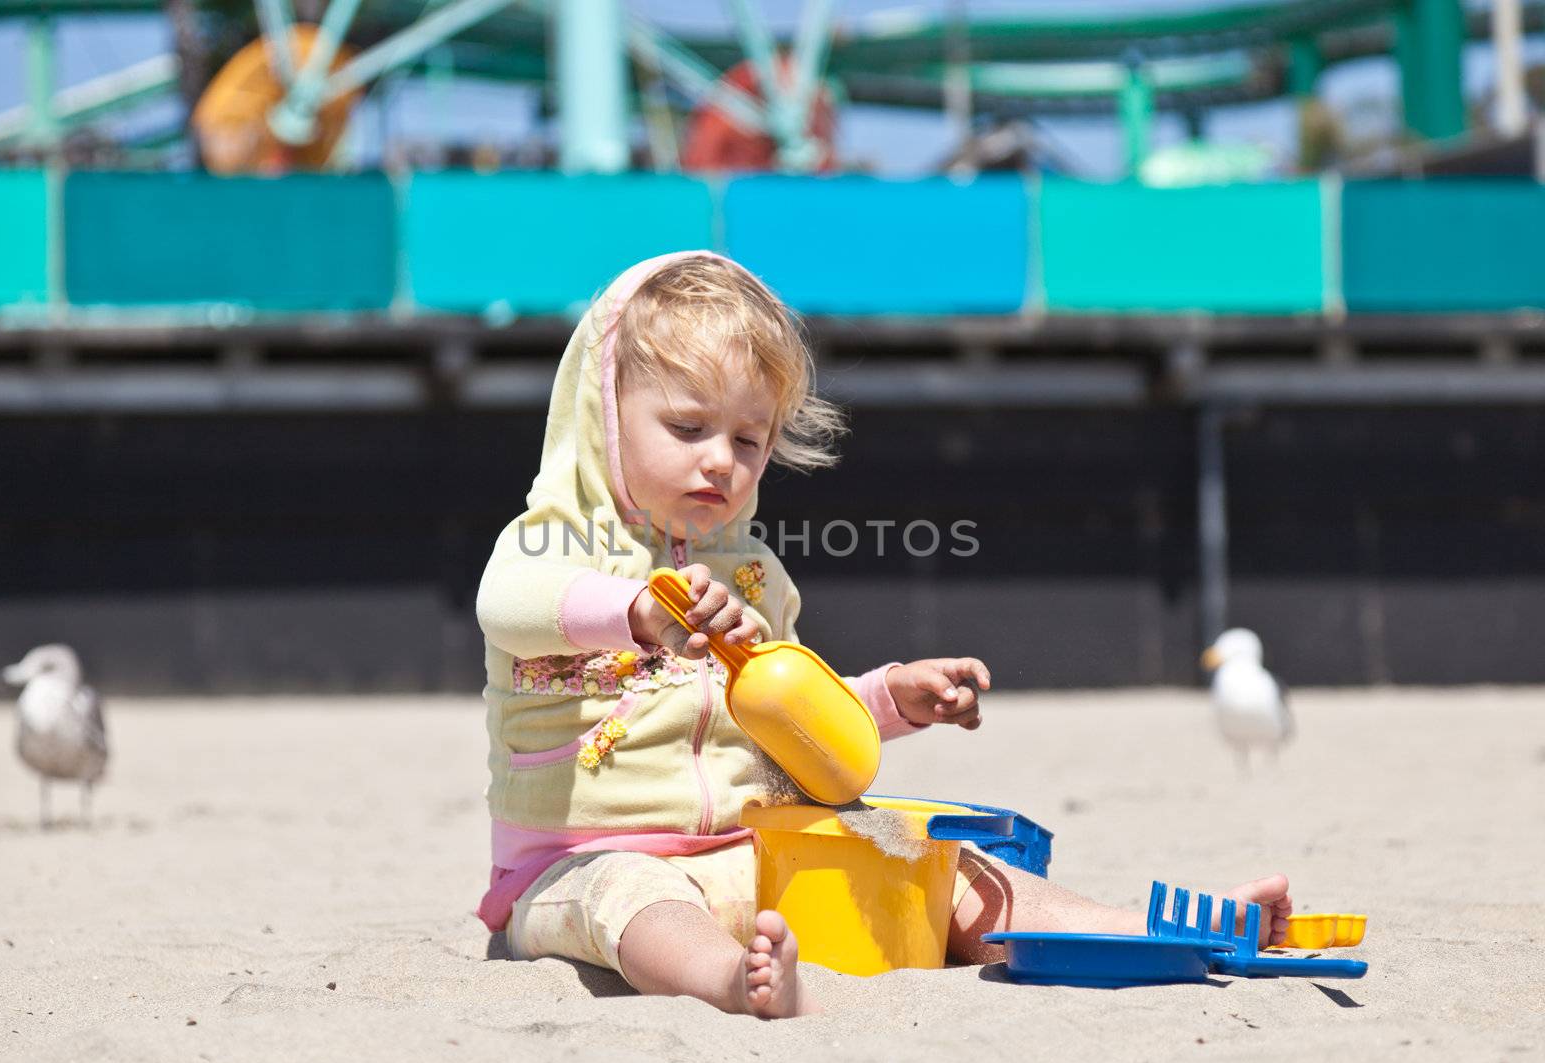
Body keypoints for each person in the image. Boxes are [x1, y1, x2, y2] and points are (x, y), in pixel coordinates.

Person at [475, 251, 1292, 1018]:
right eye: (688, 429)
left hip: (758, 846)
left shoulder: (754, 574)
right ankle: (731, 981)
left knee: (940, 862)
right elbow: (507, 605)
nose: (722, 461)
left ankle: (1161, 935)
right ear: (604, 417)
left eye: (748, 440)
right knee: (634, 899)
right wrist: (636, 611)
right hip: (577, 861)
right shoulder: (552, 541)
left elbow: (794, 716)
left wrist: (889, 698)